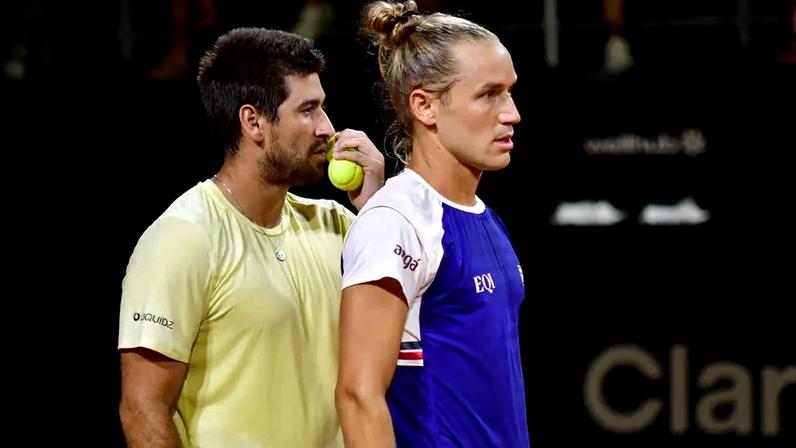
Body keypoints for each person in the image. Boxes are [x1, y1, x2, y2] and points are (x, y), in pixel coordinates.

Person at [118, 27, 384, 447]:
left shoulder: (339, 224)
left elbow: (414, 337)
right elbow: (142, 407)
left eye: (323, 109)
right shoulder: (181, 239)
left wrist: (376, 212)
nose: (327, 129)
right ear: (253, 121)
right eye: (308, 110)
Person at [335, 1, 529, 447]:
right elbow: (358, 395)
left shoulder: (484, 217)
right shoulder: (397, 220)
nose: (511, 113)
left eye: (510, 91)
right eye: (488, 94)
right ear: (425, 106)